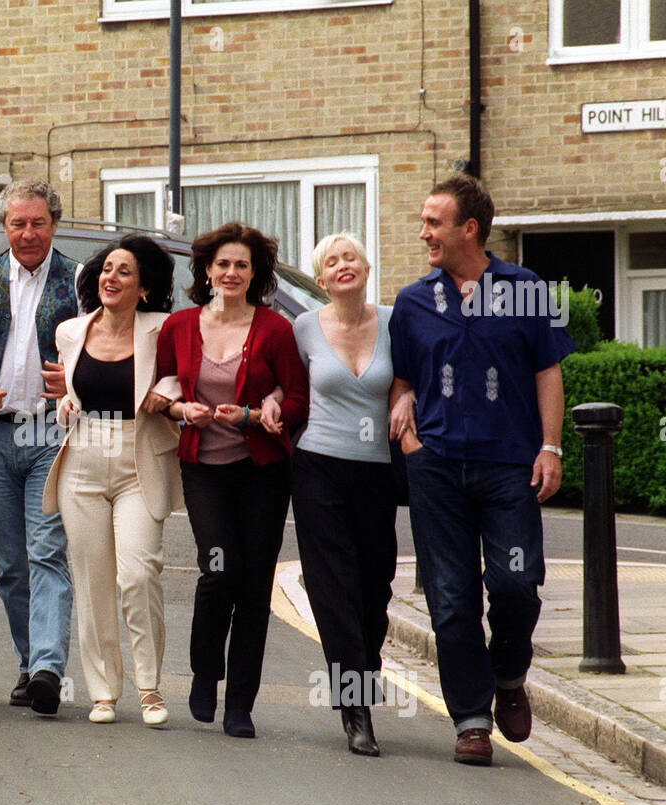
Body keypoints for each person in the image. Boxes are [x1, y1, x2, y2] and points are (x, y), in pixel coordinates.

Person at [388, 175, 574, 766]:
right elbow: (403, 378)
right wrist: (405, 417)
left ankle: (511, 674)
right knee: (450, 597)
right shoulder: (415, 301)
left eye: (433, 223)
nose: (424, 234)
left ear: (470, 228)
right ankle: (470, 719)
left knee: (516, 583)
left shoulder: (524, 290)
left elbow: (548, 370)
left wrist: (551, 447)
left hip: (508, 467)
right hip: (436, 467)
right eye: (423, 222)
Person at [150, 223, 307, 739]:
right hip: (204, 469)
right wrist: (180, 409)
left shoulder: (275, 329)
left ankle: (240, 703)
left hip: (261, 471)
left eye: (242, 265)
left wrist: (265, 410)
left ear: (255, 273)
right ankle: (204, 675)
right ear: (206, 271)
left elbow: (299, 398)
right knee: (219, 571)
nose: (232, 272)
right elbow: (158, 394)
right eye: (223, 264)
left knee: (254, 584)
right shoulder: (179, 326)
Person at [264, 233, 402, 756]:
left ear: (366, 269)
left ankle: (364, 673)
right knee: (332, 588)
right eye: (332, 262)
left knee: (375, 588)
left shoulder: (393, 322)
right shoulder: (303, 328)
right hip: (318, 466)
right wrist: (274, 400)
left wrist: (405, 394)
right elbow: (289, 384)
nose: (343, 266)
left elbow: (409, 377)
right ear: (320, 281)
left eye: (351, 257)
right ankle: (356, 710)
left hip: (377, 472)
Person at [42, 235, 182, 727]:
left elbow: (179, 377)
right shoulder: (70, 331)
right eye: (106, 269)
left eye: (124, 271)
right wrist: (64, 404)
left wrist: (165, 392)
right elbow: (68, 392)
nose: (111, 277)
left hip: (138, 456)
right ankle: (102, 691)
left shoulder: (162, 329)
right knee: (92, 581)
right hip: (82, 458)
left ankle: (149, 687)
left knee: (138, 574)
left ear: (144, 287)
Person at [0, 180, 78, 717]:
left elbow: (102, 345)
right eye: (17, 223)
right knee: (10, 561)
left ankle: (48, 667)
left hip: (52, 431)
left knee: (47, 550)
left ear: (54, 223)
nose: (28, 233)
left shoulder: (80, 278)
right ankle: (29, 663)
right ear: (4, 227)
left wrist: (72, 382)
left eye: (38, 222)